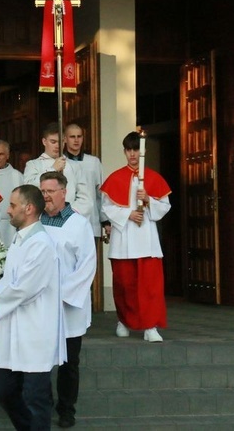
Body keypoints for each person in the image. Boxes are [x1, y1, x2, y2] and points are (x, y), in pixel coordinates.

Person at [0, 184, 66, 431]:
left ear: (29, 208)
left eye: (13, 205)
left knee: (36, 398)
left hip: (35, 331)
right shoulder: (20, 239)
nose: (8, 210)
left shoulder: (41, 243)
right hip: (14, 329)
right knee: (4, 391)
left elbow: (25, 287)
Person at [100, 131, 171, 342]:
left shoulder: (154, 178)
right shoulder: (115, 177)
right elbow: (106, 208)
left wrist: (148, 200)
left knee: (150, 287)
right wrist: (128, 213)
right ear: (124, 152)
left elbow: (165, 207)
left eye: (136, 150)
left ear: (143, 151)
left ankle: (150, 326)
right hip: (123, 239)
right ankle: (124, 321)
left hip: (146, 240)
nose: (133, 154)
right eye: (129, 150)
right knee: (124, 285)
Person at [39, 172, 96, 428]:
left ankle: (66, 409)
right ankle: (42, 403)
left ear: (64, 192)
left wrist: (63, 294)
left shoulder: (78, 224)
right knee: (39, 358)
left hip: (67, 305)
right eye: (42, 192)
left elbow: (86, 266)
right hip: (39, 305)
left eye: (51, 191)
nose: (46, 196)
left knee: (69, 362)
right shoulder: (35, 221)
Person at [23, 123, 92, 222]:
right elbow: (29, 190)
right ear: (44, 141)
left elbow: (85, 197)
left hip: (69, 218)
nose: (57, 146)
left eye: (61, 142)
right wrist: (53, 169)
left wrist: (69, 213)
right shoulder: (33, 164)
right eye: (53, 142)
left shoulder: (75, 166)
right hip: (42, 218)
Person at [62, 123, 108, 240]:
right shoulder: (61, 162)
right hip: (67, 220)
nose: (76, 140)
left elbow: (101, 193)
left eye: (79, 136)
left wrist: (105, 220)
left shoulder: (93, 162)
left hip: (91, 221)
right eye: (72, 137)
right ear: (65, 139)